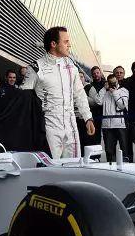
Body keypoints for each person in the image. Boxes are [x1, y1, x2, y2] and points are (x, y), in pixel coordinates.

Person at [21, 26, 96, 159]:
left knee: (73, 167)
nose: (69, 45)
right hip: (48, 125)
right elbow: (23, 99)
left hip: (71, 124)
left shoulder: (71, 66)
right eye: (66, 42)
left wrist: (88, 118)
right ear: (53, 44)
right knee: (50, 169)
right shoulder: (36, 68)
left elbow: (79, 93)